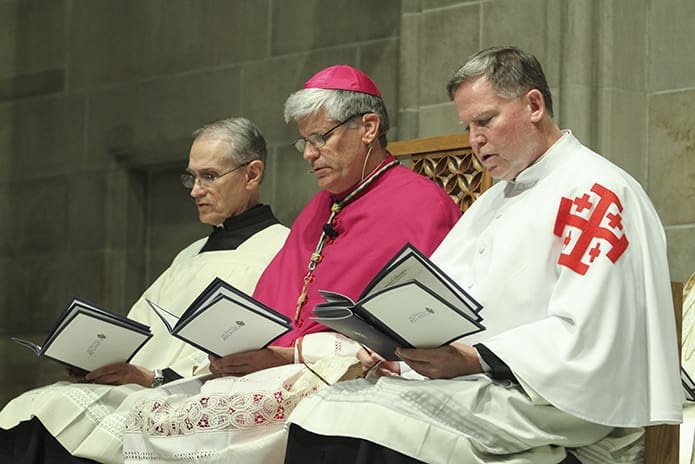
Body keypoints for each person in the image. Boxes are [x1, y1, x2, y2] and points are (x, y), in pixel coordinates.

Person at [283, 47, 683, 464]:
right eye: (467, 126)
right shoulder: (493, 201)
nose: (474, 139)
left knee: (370, 428)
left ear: (533, 105)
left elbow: (589, 334)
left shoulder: (596, 193)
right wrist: (405, 354)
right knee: (323, 410)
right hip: (483, 381)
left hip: (554, 402)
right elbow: (441, 300)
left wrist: (475, 358)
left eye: (485, 121)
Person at [120, 65, 463, 463]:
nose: (311, 154)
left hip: (342, 377)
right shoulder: (319, 207)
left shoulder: (419, 205)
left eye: (320, 137)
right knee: (148, 418)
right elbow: (271, 305)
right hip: (277, 370)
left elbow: (407, 335)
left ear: (368, 127)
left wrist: (289, 354)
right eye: (304, 142)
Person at [0, 116, 290, 464]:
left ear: (252, 174)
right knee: (29, 412)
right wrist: (100, 361)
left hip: (193, 402)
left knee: (51, 422)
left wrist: (152, 377)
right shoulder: (190, 254)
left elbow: (248, 353)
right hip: (137, 391)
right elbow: (141, 329)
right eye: (191, 177)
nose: (195, 190)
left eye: (209, 176)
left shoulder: (281, 252)